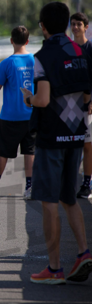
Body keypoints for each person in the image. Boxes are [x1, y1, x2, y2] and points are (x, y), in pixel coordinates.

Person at [23, 2, 92, 284]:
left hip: (52, 137)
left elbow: (41, 99)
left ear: (42, 26)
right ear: (66, 24)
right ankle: (83, 252)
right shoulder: (81, 52)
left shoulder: (42, 56)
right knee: (69, 198)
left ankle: (54, 269)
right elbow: (87, 95)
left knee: (49, 202)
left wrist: (27, 97)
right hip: (77, 134)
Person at [0, 25, 35, 200]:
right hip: (32, 115)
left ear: (11, 40)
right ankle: (30, 188)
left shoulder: (7, 63)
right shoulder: (35, 61)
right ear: (27, 41)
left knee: (2, 152)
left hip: (11, 116)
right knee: (30, 152)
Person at [69, 11, 92, 198]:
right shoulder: (67, 49)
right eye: (73, 24)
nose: (75, 27)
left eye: (79, 24)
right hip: (69, 105)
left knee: (87, 145)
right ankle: (68, 181)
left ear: (86, 26)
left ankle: (86, 183)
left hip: (88, 105)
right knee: (71, 144)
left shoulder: (90, 48)